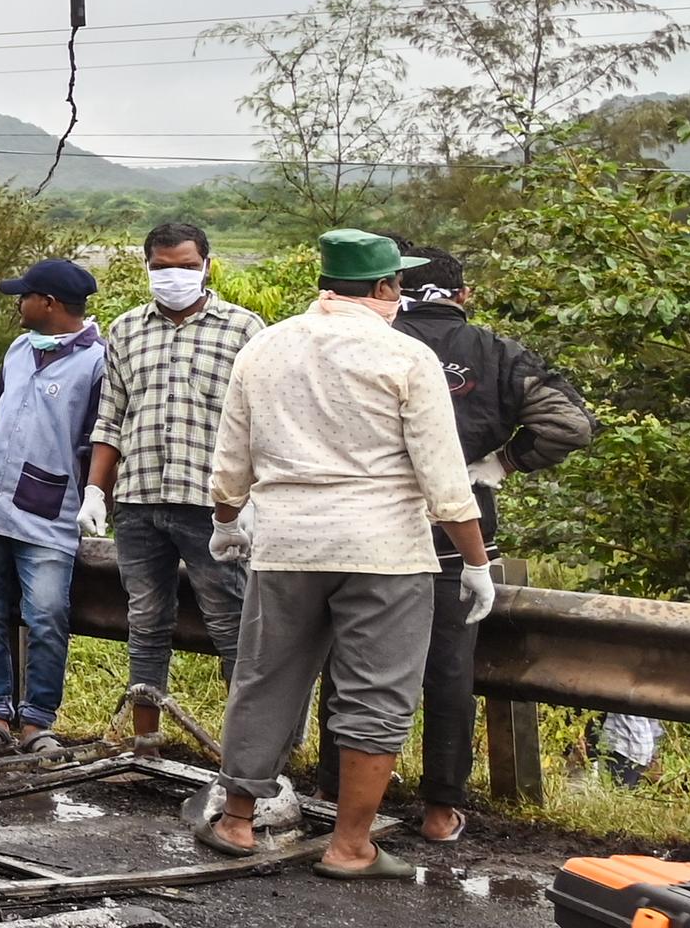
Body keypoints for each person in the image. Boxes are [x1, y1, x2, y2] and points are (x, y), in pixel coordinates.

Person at [202, 229, 492, 877]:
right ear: (387, 288)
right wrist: (475, 560)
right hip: (384, 551)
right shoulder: (406, 356)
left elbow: (231, 462)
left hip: (286, 545)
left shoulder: (265, 347)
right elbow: (444, 478)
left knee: (265, 678)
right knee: (375, 694)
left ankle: (238, 820)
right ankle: (350, 845)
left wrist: (226, 521)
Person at [332, 247, 597, 844]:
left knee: (352, 664)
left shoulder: (368, 339)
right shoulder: (496, 352)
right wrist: (501, 462)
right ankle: (439, 809)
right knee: (449, 670)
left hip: (367, 530)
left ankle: (338, 796)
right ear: (463, 295)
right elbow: (571, 425)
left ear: (393, 288)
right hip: (460, 539)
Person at [83, 220, 263, 737]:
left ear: (207, 264)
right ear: (147, 267)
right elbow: (110, 419)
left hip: (213, 506)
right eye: (162, 268)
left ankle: (248, 756)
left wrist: (250, 501)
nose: (174, 277)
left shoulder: (244, 330)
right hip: (139, 500)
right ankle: (146, 739)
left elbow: (260, 421)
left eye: (186, 267)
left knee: (232, 624)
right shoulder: (125, 330)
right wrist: (98, 490)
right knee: (145, 623)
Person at [0, 256, 110, 757]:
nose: (18, 304)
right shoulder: (17, 349)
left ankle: (37, 724)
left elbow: (100, 439)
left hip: (47, 511)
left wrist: (97, 495)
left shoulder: (98, 363)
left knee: (47, 614)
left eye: (24, 296)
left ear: (49, 303)